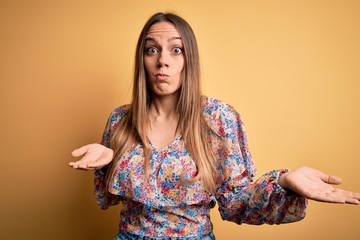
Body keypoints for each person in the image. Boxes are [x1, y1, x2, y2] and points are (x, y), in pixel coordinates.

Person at [69, 12, 360, 240]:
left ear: (189, 59)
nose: (162, 62)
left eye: (176, 50)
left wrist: (284, 182)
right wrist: (109, 159)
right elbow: (106, 199)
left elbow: (236, 203)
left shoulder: (218, 119)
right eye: (151, 50)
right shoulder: (120, 120)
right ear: (142, 60)